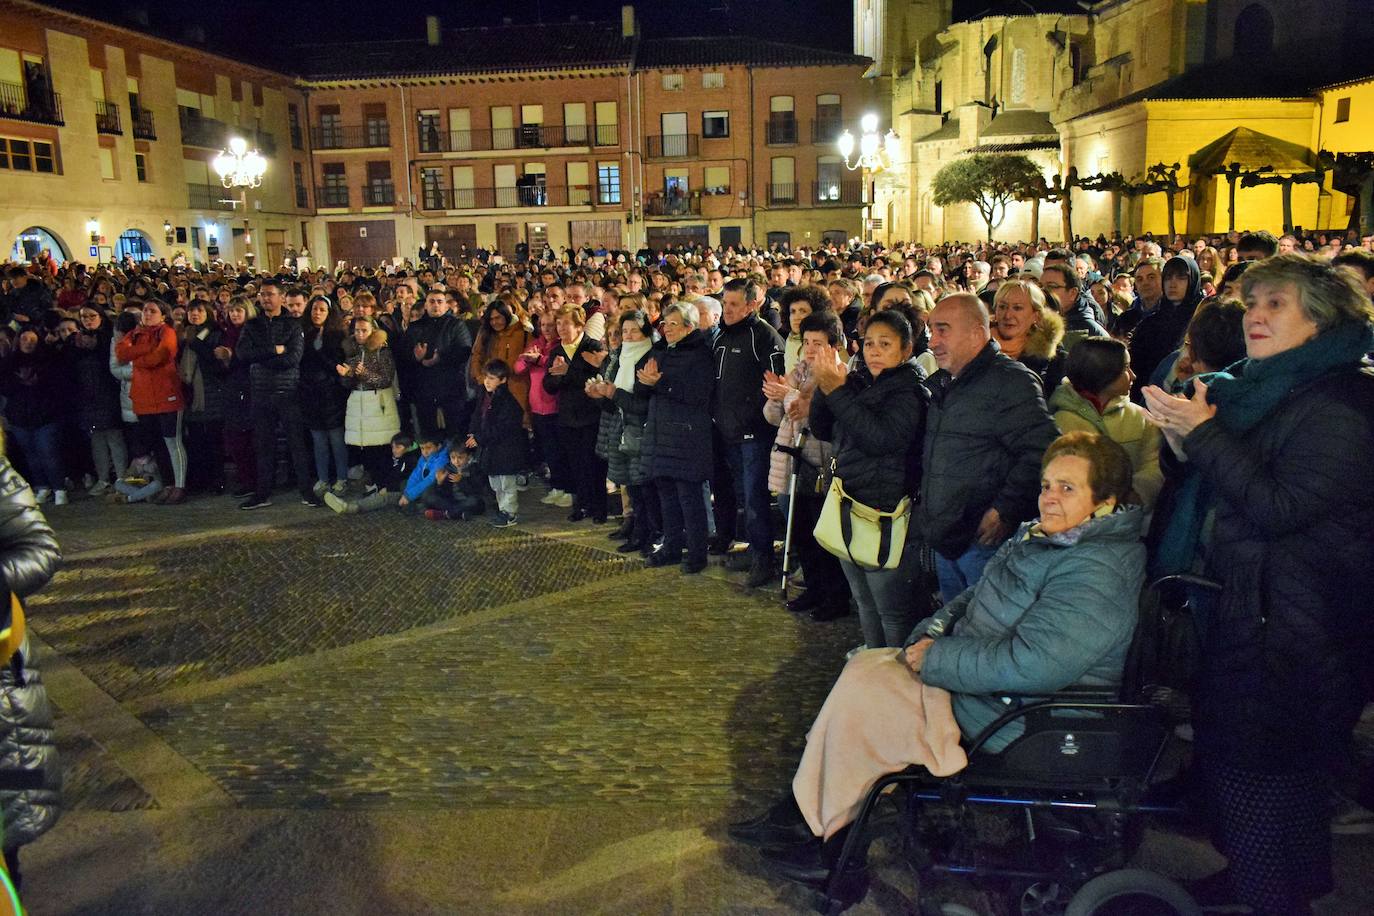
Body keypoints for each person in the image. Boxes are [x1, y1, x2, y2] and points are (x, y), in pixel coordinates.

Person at [734, 433, 1144, 883]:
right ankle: (803, 810)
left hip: (1021, 714)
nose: (1049, 498)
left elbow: (1034, 664)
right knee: (865, 668)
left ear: (1104, 501)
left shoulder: (1096, 569)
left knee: (870, 701)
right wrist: (930, 635)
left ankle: (833, 849)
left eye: (1068, 488)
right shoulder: (1051, 539)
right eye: (1047, 485)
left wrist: (938, 658)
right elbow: (975, 595)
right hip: (987, 687)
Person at [1141, 254, 1374, 915]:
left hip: (1296, 631)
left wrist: (1205, 435)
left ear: (1322, 319)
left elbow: (1280, 506)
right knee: (1284, 778)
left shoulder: (1342, 404)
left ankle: (1272, 894)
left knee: (1255, 778)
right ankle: (1281, 881)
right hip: (1257, 609)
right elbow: (1229, 482)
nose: (1257, 315)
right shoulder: (1263, 387)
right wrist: (1183, 438)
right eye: (1252, 303)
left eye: (1277, 304)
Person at [919, 294, 1059, 603]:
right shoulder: (944, 382)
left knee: (984, 629)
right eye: (931, 330)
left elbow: (1043, 450)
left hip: (982, 543)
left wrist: (1005, 508)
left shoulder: (1011, 383)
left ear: (977, 333)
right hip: (949, 538)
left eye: (943, 330)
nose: (932, 341)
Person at [807, 310, 926, 644]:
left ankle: (893, 679)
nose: (873, 350)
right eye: (869, 343)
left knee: (892, 610)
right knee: (864, 601)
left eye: (885, 344)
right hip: (849, 502)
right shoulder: (856, 382)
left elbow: (881, 439)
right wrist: (824, 384)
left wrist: (837, 392)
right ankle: (873, 668)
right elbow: (822, 427)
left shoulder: (910, 392)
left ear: (906, 350)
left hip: (884, 511)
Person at [764, 312, 848, 621]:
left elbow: (821, 419)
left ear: (834, 345)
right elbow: (777, 417)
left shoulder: (838, 374)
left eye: (819, 342)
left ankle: (834, 596)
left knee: (822, 537)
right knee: (799, 533)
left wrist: (790, 398)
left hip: (818, 462)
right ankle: (814, 589)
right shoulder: (798, 372)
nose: (811, 349)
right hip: (791, 461)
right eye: (807, 342)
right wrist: (777, 397)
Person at [713, 278, 786, 587]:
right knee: (743, 496)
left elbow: (774, 386)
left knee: (756, 499)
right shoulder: (721, 336)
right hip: (727, 432)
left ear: (751, 305)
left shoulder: (764, 337)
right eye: (724, 304)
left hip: (754, 434)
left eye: (733, 305)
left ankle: (763, 560)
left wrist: (750, 416)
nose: (727, 310)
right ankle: (754, 548)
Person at [638, 301, 715, 574]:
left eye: (674, 324)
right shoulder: (662, 350)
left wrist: (659, 383)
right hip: (661, 433)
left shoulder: (701, 354)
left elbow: (698, 394)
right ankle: (671, 547)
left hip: (687, 436)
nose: (667, 329)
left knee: (689, 498)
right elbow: (644, 382)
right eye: (665, 324)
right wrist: (646, 382)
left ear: (689, 327)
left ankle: (696, 553)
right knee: (667, 496)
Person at [1049, 337, 1163, 509]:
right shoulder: (1062, 420)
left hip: (1129, 523)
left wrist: (1136, 493)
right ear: (1103, 372)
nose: (1133, 375)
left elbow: (1154, 463)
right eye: (1126, 368)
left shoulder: (1141, 418)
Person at [235, 280, 316, 509]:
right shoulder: (253, 325)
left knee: (296, 444)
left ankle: (306, 491)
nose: (265, 298)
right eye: (262, 295)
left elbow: (293, 358)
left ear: (281, 297)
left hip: (287, 391)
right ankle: (262, 493)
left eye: (270, 294)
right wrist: (273, 351)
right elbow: (242, 354)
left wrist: (261, 357)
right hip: (260, 391)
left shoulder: (292, 325)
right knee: (263, 445)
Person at [114, 300, 187, 504]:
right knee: (158, 444)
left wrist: (138, 358)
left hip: (166, 395)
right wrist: (146, 349)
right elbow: (121, 353)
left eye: (152, 311)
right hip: (144, 398)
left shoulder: (166, 332)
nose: (147, 313)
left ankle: (179, 485)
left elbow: (161, 355)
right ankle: (167, 483)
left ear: (163, 315)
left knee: (173, 442)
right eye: (145, 310)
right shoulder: (136, 334)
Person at [541, 306, 608, 523]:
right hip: (568, 416)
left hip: (590, 415)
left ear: (579, 326)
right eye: (558, 324)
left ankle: (599, 507)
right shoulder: (557, 351)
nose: (560, 329)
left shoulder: (592, 346)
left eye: (565, 324)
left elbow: (599, 377)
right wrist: (559, 377)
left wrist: (568, 373)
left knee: (594, 464)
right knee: (575, 463)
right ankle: (582, 505)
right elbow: (549, 385)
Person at [0, 329, 68, 506]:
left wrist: (36, 382)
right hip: (21, 417)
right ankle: (42, 486)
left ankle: (59, 488)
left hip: (45, 415)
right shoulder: (9, 363)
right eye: (24, 339)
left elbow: (57, 387)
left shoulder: (47, 361)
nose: (28, 342)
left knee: (49, 452)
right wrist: (20, 382)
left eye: (32, 339)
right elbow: (5, 388)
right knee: (31, 455)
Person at [337, 313, 401, 489]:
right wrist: (347, 375)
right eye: (357, 330)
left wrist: (363, 373)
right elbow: (349, 384)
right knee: (365, 447)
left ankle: (385, 485)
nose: (360, 334)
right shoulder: (352, 351)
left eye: (364, 330)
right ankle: (372, 483)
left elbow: (386, 379)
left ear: (373, 331)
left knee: (381, 447)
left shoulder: (383, 351)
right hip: (359, 405)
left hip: (378, 404)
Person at [403, 286, 474, 440]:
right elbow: (403, 355)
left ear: (446, 305)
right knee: (429, 437)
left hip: (451, 389)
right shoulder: (415, 327)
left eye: (440, 302)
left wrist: (440, 358)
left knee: (454, 435)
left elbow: (464, 351)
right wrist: (416, 357)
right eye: (432, 301)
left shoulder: (456, 325)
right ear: (426, 305)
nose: (436, 305)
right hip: (424, 391)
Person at [67, 306, 124, 496]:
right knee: (97, 439)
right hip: (87, 397)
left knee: (114, 437)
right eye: (84, 317)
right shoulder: (75, 341)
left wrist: (96, 346)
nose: (88, 320)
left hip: (108, 394)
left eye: (92, 316)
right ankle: (103, 478)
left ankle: (122, 478)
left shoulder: (108, 338)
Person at [1129, 255, 1203, 401]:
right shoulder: (1150, 323)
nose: (1172, 284)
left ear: (1192, 280)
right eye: (1168, 278)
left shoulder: (1201, 322)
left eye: (1181, 278)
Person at [466, 358, 526, 528]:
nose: (487, 381)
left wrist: (480, 438)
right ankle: (503, 509)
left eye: (492, 378)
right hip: (491, 450)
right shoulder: (485, 397)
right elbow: (478, 416)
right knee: (496, 483)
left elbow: (503, 428)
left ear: (503, 379)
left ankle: (510, 513)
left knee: (506, 483)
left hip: (505, 450)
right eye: (486, 377)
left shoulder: (507, 402)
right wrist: (473, 433)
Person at [177, 300, 228, 495]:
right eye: (191, 310)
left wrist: (197, 345)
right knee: (196, 440)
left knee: (214, 440)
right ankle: (200, 479)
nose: (195, 314)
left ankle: (217, 479)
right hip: (192, 395)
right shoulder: (184, 335)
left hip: (212, 394)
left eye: (199, 310)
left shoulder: (215, 334)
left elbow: (218, 367)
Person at [300, 296, 349, 496]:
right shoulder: (304, 334)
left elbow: (337, 365)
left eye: (322, 309)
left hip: (331, 393)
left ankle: (342, 477)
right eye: (314, 309)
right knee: (318, 439)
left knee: (336, 439)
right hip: (310, 393)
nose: (317, 313)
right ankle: (322, 478)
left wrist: (319, 354)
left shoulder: (337, 335)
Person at [990, 280, 1066, 395]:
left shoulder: (1054, 361)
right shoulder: (975, 349)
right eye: (1002, 307)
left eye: (1017, 308)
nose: (1007, 315)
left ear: (1036, 316)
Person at [469, 301, 531, 425]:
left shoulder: (522, 333)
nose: (495, 322)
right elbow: (477, 355)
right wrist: (481, 378)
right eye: (491, 319)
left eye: (498, 318)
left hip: (516, 388)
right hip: (491, 389)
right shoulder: (486, 333)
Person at [324, 433, 415, 515]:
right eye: (393, 447)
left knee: (383, 498)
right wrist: (381, 486)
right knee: (371, 495)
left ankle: (351, 507)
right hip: (389, 488)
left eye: (398, 447)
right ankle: (349, 503)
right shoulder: (391, 459)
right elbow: (385, 475)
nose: (394, 450)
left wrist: (388, 489)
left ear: (407, 447)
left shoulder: (410, 461)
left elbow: (404, 480)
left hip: (403, 492)